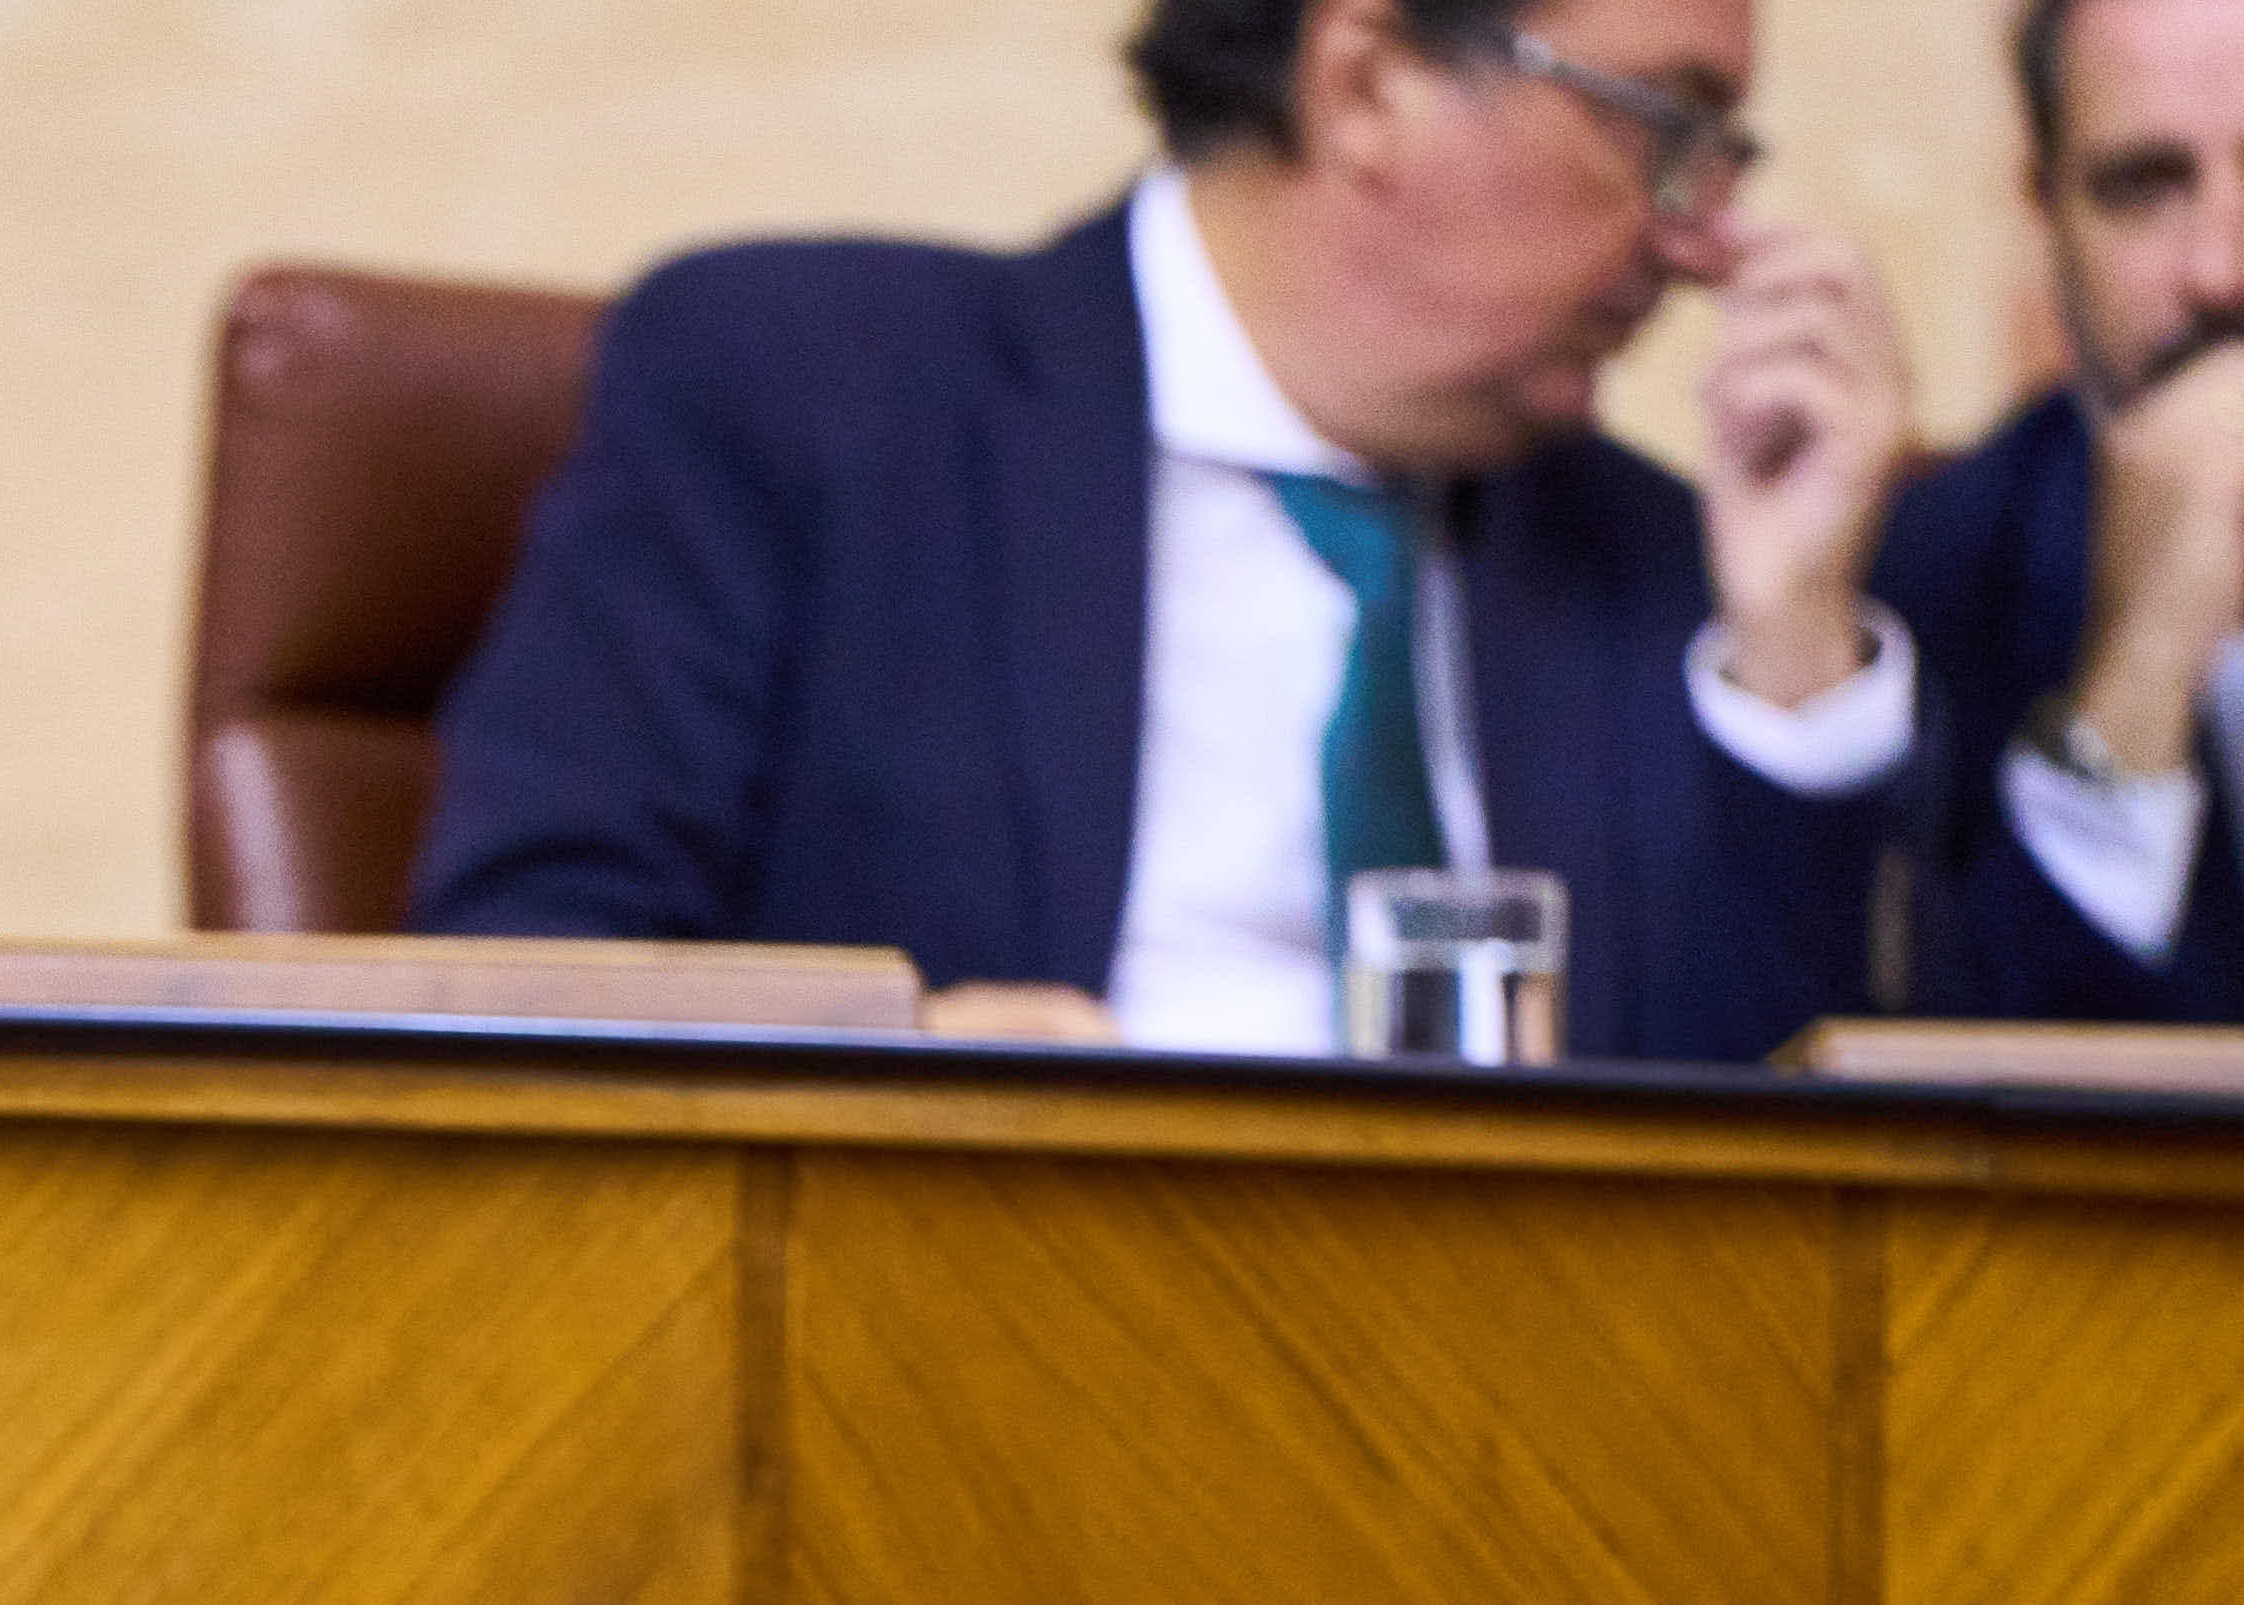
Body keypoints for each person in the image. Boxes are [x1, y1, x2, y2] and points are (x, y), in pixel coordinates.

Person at [409, 0, 1918, 1063]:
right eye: (1664, 129)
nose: (1706, 238)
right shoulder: (807, 398)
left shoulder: (1660, 562)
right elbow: (530, 957)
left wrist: (1794, 647)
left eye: (1725, 162)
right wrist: (889, 1067)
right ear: (1368, 80)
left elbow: (1786, 1171)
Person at [1872, 0, 2244, 1018]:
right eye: (2141, 187)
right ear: (2046, 213)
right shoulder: (1921, 577)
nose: (2219, 272)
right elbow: (1970, 1124)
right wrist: (2140, 666)